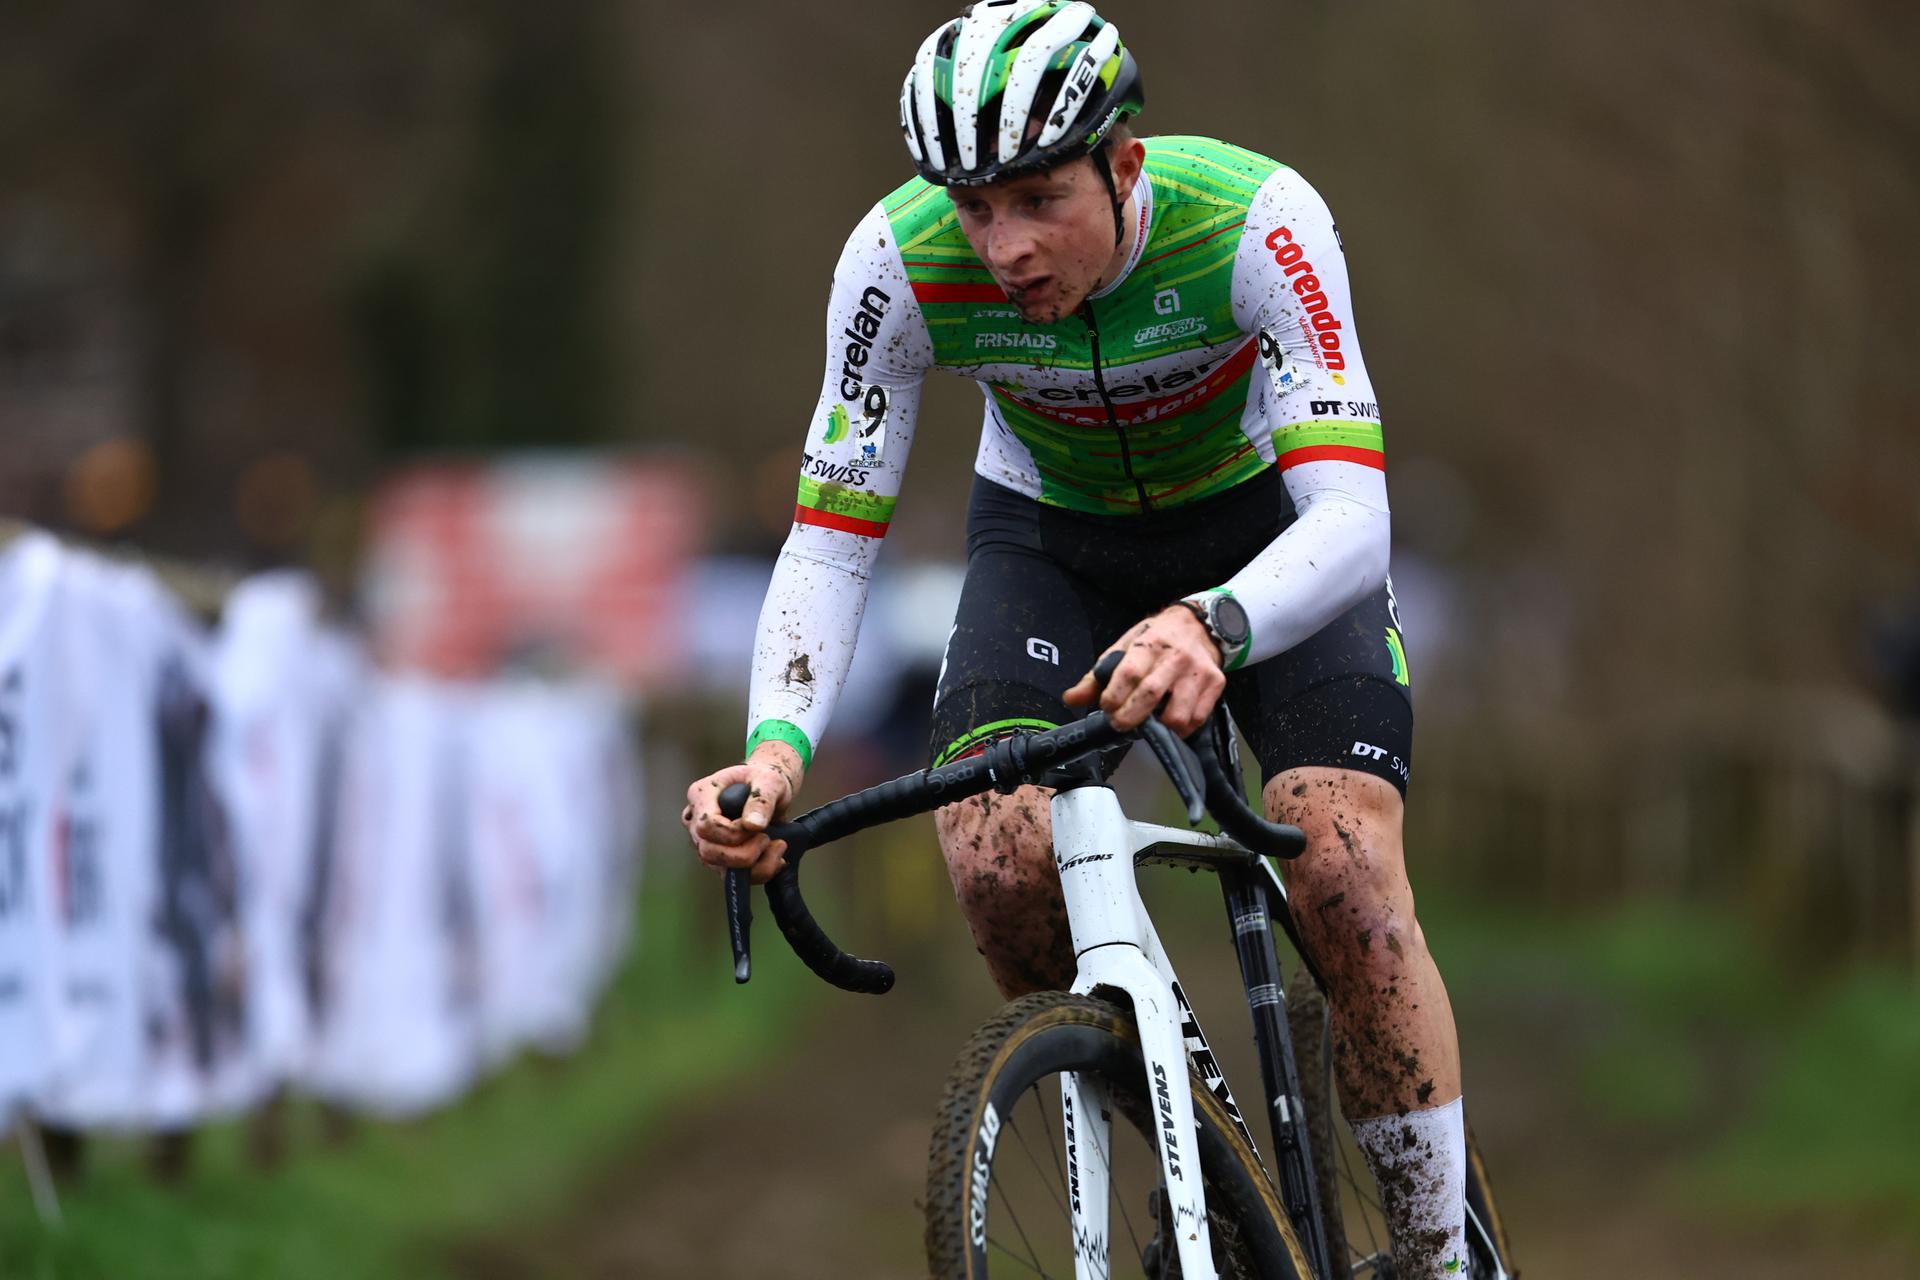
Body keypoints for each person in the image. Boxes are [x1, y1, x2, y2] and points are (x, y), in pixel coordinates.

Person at [683, 3, 1468, 1274]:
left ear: (1126, 164)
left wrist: (1221, 617)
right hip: (1051, 544)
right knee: (995, 855)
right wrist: (773, 752)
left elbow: (1355, 515)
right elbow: (832, 537)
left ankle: (1437, 1254)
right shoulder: (894, 259)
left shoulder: (1258, 220)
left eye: (1039, 198)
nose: (1002, 247)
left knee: (1343, 873)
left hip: (1269, 541)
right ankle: (1185, 1163)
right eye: (974, 207)